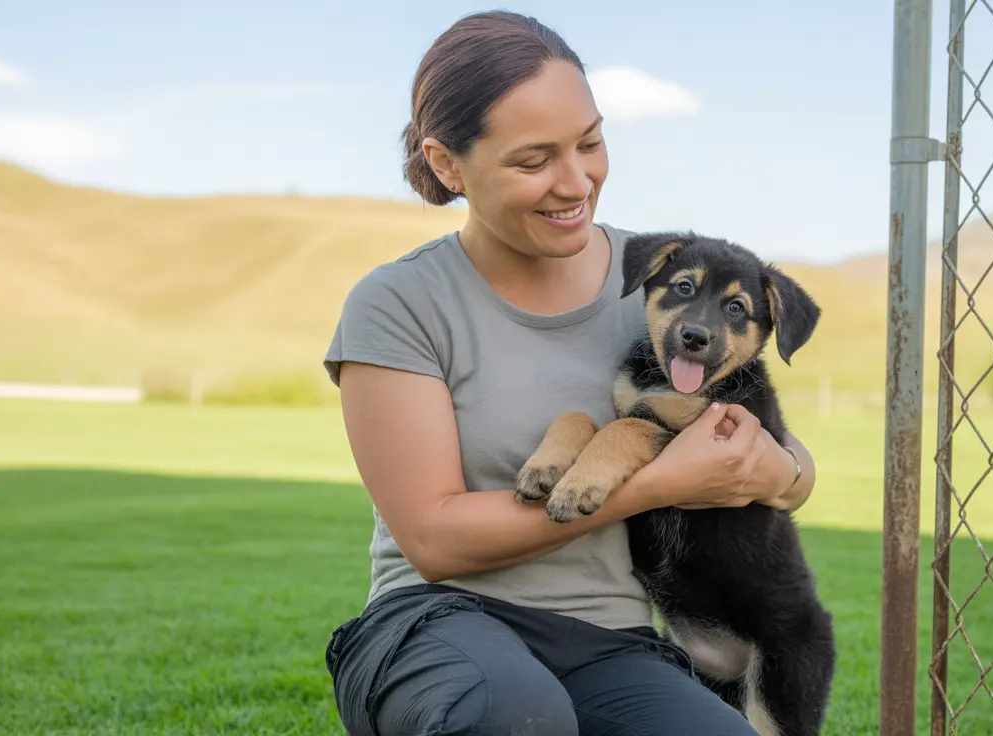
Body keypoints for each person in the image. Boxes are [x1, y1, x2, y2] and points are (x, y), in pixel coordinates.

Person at [322, 10, 818, 736]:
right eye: (533, 160)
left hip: (609, 643)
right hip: (436, 622)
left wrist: (783, 476)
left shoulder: (659, 279)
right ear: (446, 163)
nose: (576, 180)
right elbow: (434, 540)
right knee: (516, 715)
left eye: (590, 142)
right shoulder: (400, 302)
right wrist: (656, 484)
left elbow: (774, 452)